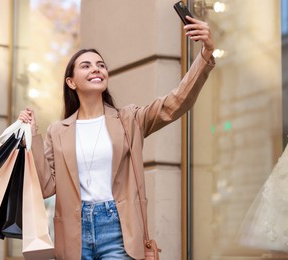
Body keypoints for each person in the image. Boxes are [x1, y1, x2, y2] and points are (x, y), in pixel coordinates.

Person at [19, 15, 215, 260]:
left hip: (118, 230)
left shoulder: (128, 120)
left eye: (100, 65)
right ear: (71, 82)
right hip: (73, 233)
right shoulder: (58, 131)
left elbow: (175, 103)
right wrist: (33, 135)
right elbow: (46, 187)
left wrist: (206, 53)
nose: (96, 69)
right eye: (86, 65)